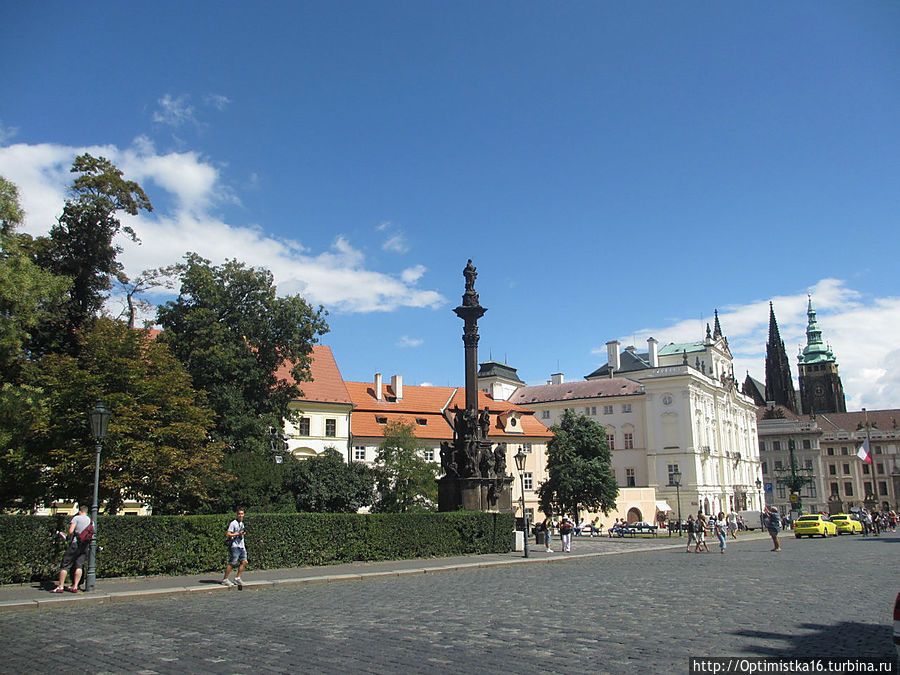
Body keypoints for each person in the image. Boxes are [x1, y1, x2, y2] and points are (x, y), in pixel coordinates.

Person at [52, 504, 92, 593]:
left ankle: (61, 586)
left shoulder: (76, 518)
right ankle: (75, 586)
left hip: (75, 544)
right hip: (84, 545)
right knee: (79, 565)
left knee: (65, 564)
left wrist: (68, 536)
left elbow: (70, 531)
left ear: (79, 511)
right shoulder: (90, 520)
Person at [222, 508, 247, 589]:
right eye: (239, 514)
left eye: (242, 514)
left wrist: (242, 534)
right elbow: (228, 534)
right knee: (233, 562)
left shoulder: (242, 524)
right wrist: (237, 534)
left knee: (244, 561)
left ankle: (237, 578)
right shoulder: (233, 523)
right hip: (235, 546)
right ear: (237, 515)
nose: (240, 515)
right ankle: (225, 579)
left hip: (241, 545)